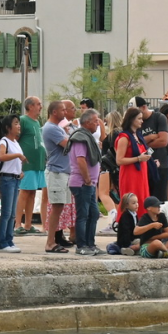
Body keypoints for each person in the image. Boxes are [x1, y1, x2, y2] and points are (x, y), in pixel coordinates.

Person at [69, 109, 103, 255]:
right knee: (83, 214)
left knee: (93, 213)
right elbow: (80, 160)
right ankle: (81, 245)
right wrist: (88, 179)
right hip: (82, 183)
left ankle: (90, 244)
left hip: (90, 184)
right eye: (95, 121)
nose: (98, 124)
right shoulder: (80, 138)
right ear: (87, 122)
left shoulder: (87, 137)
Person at [42, 100, 74, 253]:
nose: (65, 113)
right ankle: (50, 242)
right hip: (56, 172)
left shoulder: (58, 128)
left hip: (63, 172)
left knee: (60, 206)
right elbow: (69, 144)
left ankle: (53, 240)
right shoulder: (51, 128)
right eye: (62, 110)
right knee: (56, 207)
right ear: (54, 112)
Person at [16, 97, 47, 236]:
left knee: (33, 192)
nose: (41, 106)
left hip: (38, 163)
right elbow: (15, 139)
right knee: (24, 192)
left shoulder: (37, 122)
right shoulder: (23, 120)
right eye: (38, 104)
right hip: (27, 163)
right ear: (30, 106)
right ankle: (18, 223)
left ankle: (28, 224)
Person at [0, 115, 25, 253]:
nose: (19, 126)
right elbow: (1, 156)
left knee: (12, 213)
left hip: (15, 178)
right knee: (6, 212)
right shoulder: (4, 141)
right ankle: (1, 242)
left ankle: (9, 239)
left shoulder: (16, 142)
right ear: (8, 127)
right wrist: (17, 156)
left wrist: (20, 171)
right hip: (7, 179)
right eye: (16, 123)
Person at [135, 97, 168, 206]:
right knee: (145, 199)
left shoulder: (159, 118)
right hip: (144, 165)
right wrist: (151, 136)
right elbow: (134, 142)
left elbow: (163, 141)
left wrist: (143, 144)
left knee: (159, 201)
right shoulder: (136, 122)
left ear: (144, 107)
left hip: (161, 165)